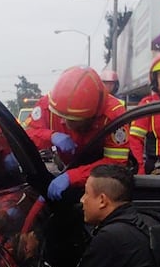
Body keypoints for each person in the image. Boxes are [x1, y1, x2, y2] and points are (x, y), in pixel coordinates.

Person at [22, 65, 129, 201]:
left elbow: (116, 164)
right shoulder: (49, 104)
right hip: (65, 167)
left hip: (99, 179)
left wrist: (73, 177)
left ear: (93, 115)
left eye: (73, 120)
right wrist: (51, 136)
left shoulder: (113, 114)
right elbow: (27, 135)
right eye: (62, 116)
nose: (64, 123)